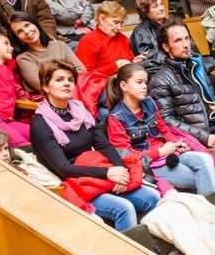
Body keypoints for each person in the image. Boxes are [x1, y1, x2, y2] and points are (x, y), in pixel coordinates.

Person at [30, 59, 160, 231]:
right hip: (75, 182)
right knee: (124, 208)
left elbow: (103, 145)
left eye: (70, 79)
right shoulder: (40, 124)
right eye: (59, 79)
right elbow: (63, 168)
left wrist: (121, 170)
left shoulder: (80, 111)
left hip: (95, 170)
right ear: (46, 87)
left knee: (153, 196)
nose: (67, 84)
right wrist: (107, 173)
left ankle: (151, 247)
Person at [105, 63, 215, 196]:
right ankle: (211, 211)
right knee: (203, 177)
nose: (144, 86)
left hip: (170, 153)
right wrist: (160, 152)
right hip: (151, 164)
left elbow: (164, 130)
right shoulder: (115, 118)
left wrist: (177, 144)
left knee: (205, 159)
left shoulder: (149, 103)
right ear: (124, 85)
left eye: (145, 82)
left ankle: (210, 211)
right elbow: (127, 156)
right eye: (139, 82)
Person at [147, 22, 215, 174]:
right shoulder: (160, 80)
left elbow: (213, 102)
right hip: (201, 140)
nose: (186, 44)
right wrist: (204, 137)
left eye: (186, 38)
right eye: (178, 40)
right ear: (166, 47)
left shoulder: (197, 68)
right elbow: (166, 121)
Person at [8, 12, 85, 96]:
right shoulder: (24, 59)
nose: (26, 31)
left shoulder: (60, 45)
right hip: (56, 100)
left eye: (27, 25)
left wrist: (48, 72)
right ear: (18, 39)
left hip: (80, 91)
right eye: (20, 31)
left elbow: (81, 71)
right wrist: (69, 71)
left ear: (36, 24)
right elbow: (43, 85)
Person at [74, 1, 140, 76]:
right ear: (101, 19)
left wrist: (134, 61)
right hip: (103, 84)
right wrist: (115, 67)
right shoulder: (88, 41)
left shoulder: (122, 38)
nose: (119, 27)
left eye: (121, 23)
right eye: (116, 22)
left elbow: (129, 59)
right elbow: (85, 76)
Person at [129, 0, 168, 67]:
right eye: (155, 6)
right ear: (145, 11)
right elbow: (149, 59)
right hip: (158, 70)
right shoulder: (140, 32)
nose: (161, 8)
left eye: (161, 4)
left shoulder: (171, 24)